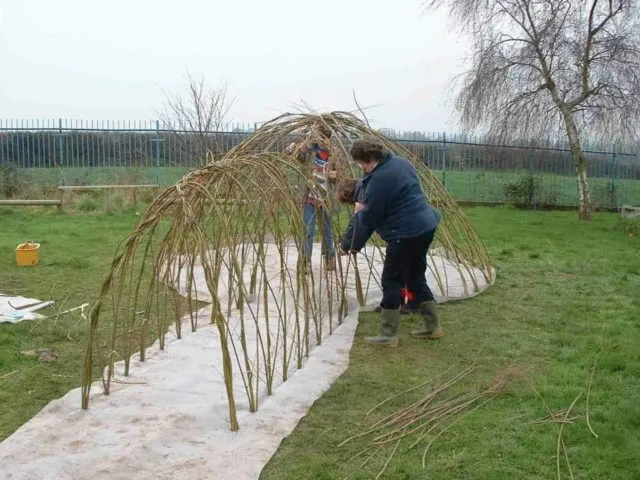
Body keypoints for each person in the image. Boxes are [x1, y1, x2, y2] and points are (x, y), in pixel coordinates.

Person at [339, 137, 442, 346]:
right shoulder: (401, 162)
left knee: (392, 280)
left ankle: (388, 334)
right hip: (426, 225)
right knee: (415, 276)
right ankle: (433, 327)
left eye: (361, 163)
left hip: (405, 233)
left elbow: (370, 218)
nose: (361, 167)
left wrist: (359, 213)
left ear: (367, 159)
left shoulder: (379, 179)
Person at [335, 178, 419, 315]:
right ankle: (403, 304)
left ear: (347, 195)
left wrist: (347, 246)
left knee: (391, 276)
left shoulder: (364, 197)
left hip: (402, 234)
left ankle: (396, 306)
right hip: (414, 228)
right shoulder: (369, 188)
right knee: (405, 271)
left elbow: (362, 225)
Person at [286, 125, 342, 272]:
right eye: (319, 138)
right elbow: (296, 157)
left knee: (327, 230)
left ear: (329, 139)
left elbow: (342, 172)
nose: (321, 141)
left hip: (326, 198)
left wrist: (335, 174)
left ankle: (330, 259)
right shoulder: (309, 150)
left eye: (325, 138)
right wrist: (292, 149)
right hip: (309, 196)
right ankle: (305, 262)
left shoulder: (333, 153)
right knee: (308, 230)